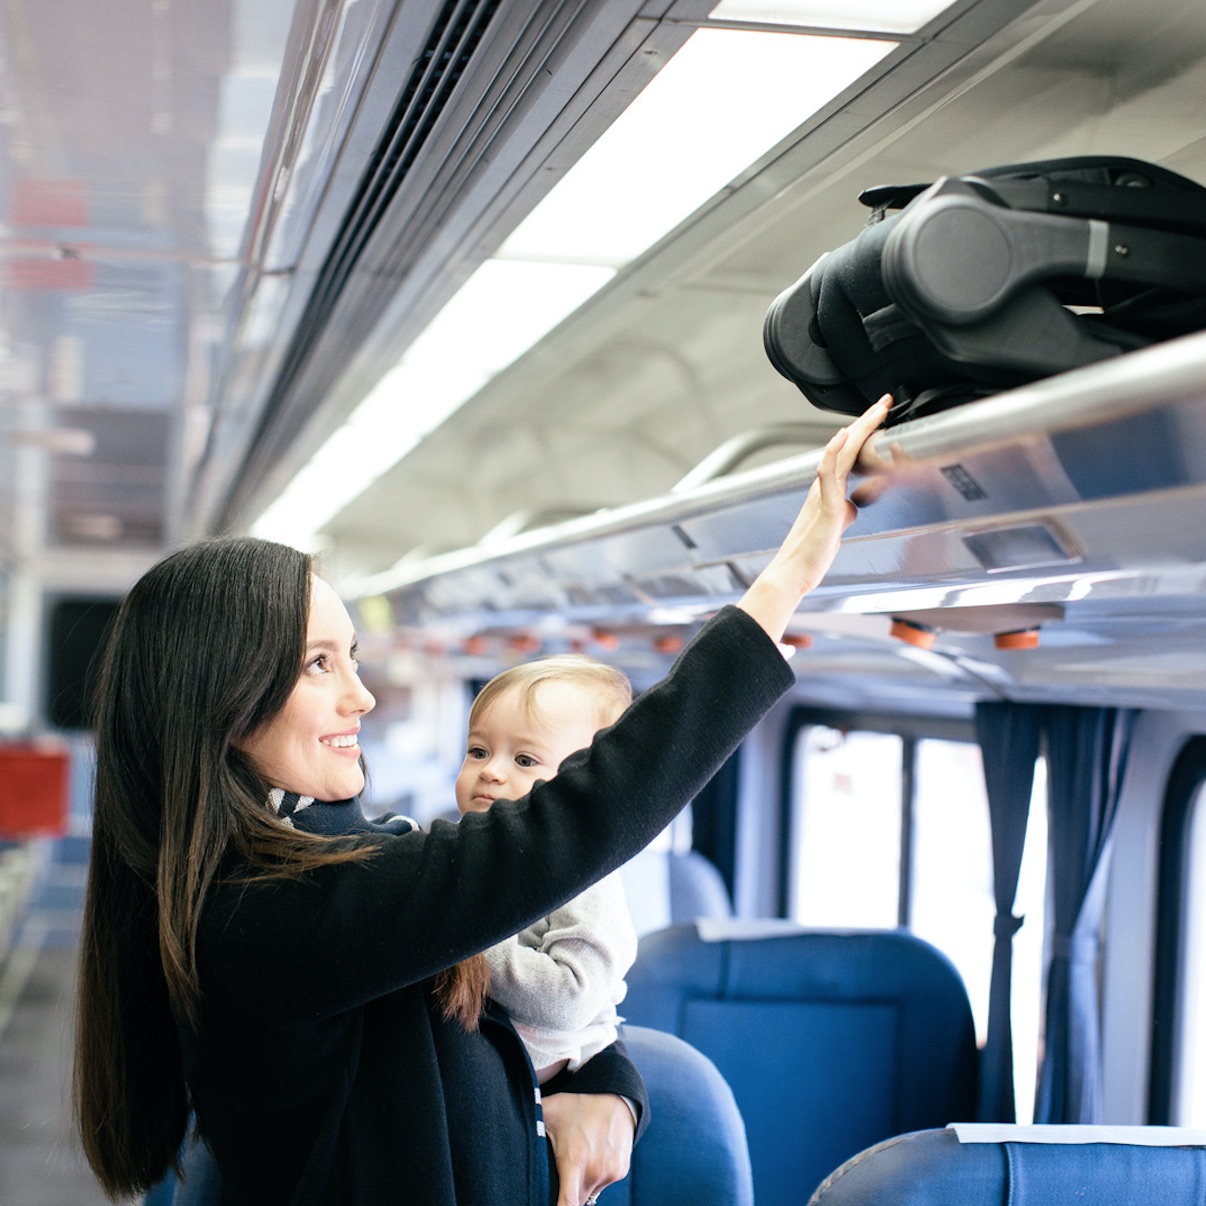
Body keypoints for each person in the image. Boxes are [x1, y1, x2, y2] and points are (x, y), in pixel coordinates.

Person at [72, 395, 890, 1206]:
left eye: (352, 656)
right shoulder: (268, 917)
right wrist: (792, 572)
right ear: (225, 700)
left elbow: (495, 1013)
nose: (361, 696)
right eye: (319, 664)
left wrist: (609, 1078)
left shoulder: (340, 869)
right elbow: (575, 824)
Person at [455, 655, 638, 1086]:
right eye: (478, 751)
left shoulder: (586, 877)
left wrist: (457, 945)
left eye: (524, 760)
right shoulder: (467, 847)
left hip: (533, 1076)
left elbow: (569, 997)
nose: (491, 771)